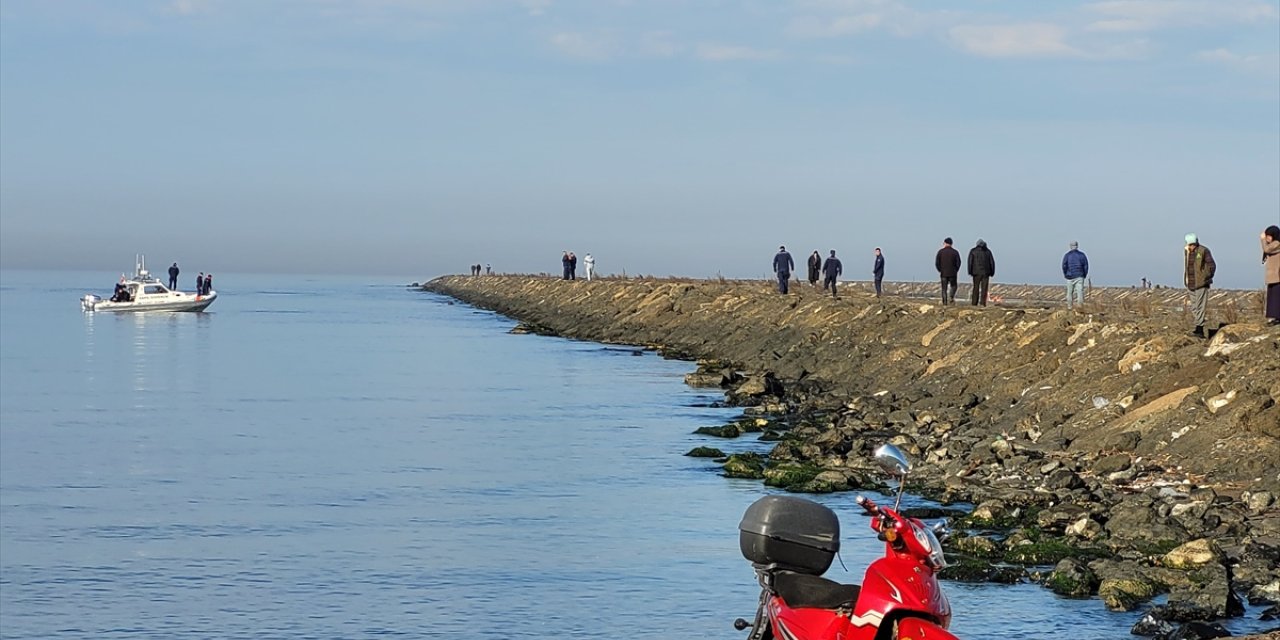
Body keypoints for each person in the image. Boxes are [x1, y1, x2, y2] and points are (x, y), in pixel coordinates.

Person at [1183, 233, 1216, 338]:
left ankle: (1199, 329)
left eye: (1193, 244)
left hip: (1201, 283)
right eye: (1190, 244)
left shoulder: (1203, 251)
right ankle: (1198, 326)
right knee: (1194, 307)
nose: (1192, 246)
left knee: (1200, 306)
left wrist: (1205, 276)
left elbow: (1212, 266)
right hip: (1190, 283)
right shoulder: (1187, 252)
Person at [967, 239, 995, 306]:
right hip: (986, 273)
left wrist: (970, 271)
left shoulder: (973, 251)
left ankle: (974, 303)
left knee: (975, 288)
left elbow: (970, 262)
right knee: (984, 289)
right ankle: (982, 303)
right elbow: (992, 263)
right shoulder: (988, 252)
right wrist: (992, 272)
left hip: (976, 273)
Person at [1261, 225, 1280, 325]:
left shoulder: (1277, 243)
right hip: (1273, 276)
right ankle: (1274, 317)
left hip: (1277, 275)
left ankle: (1277, 317)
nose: (1267, 238)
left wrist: (1263, 240)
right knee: (1272, 298)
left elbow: (1267, 249)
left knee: (1276, 298)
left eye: (1268, 236)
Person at [1062, 241, 1089, 310]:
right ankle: (1080, 308)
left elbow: (1064, 265)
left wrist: (1065, 274)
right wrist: (1084, 274)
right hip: (1080, 275)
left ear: (1070, 246)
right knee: (1080, 292)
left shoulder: (1067, 255)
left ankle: (1069, 308)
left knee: (1069, 293)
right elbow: (1086, 265)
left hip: (1070, 276)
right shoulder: (1082, 255)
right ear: (1077, 246)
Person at [935, 238, 961, 305]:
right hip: (953, 273)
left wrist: (940, 270)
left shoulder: (940, 252)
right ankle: (951, 297)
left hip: (943, 273)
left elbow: (937, 263)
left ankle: (945, 302)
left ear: (945, 243)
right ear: (951, 244)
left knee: (944, 289)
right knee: (954, 286)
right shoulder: (955, 252)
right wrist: (956, 270)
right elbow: (959, 263)